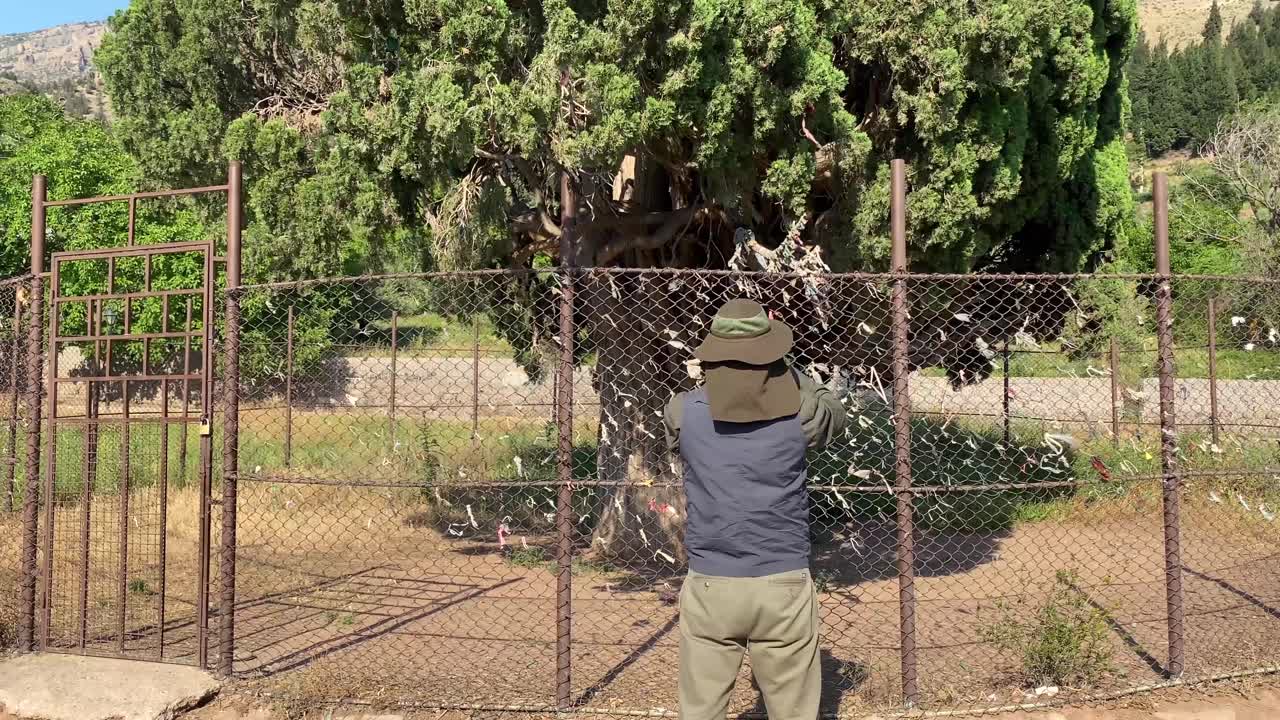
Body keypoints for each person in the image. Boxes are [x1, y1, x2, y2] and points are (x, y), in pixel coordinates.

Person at [663, 298, 847, 720]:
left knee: (701, 711)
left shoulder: (681, 412)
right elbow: (833, 414)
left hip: (711, 582)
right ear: (770, 353)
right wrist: (787, 368)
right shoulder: (803, 414)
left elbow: (689, 418)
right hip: (782, 581)